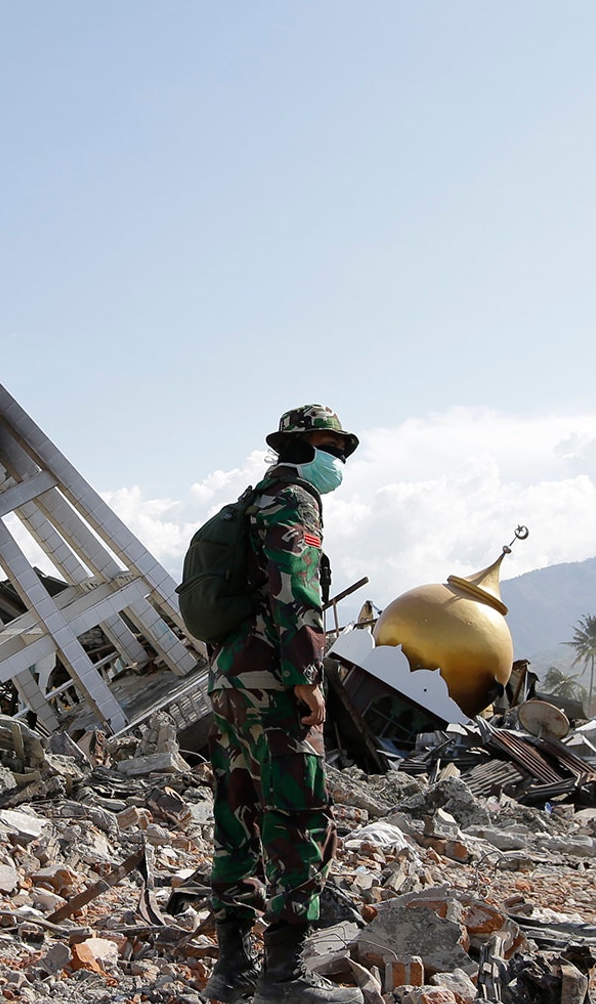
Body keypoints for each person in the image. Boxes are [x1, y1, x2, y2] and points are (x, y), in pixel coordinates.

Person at [204, 405, 362, 1004]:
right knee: (298, 809)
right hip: (275, 678)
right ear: (300, 447)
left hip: (231, 679)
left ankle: (231, 970)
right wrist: (306, 676)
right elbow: (294, 588)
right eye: (331, 448)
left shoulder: (251, 500)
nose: (338, 461)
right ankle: (284, 977)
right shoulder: (295, 502)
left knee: (236, 811)